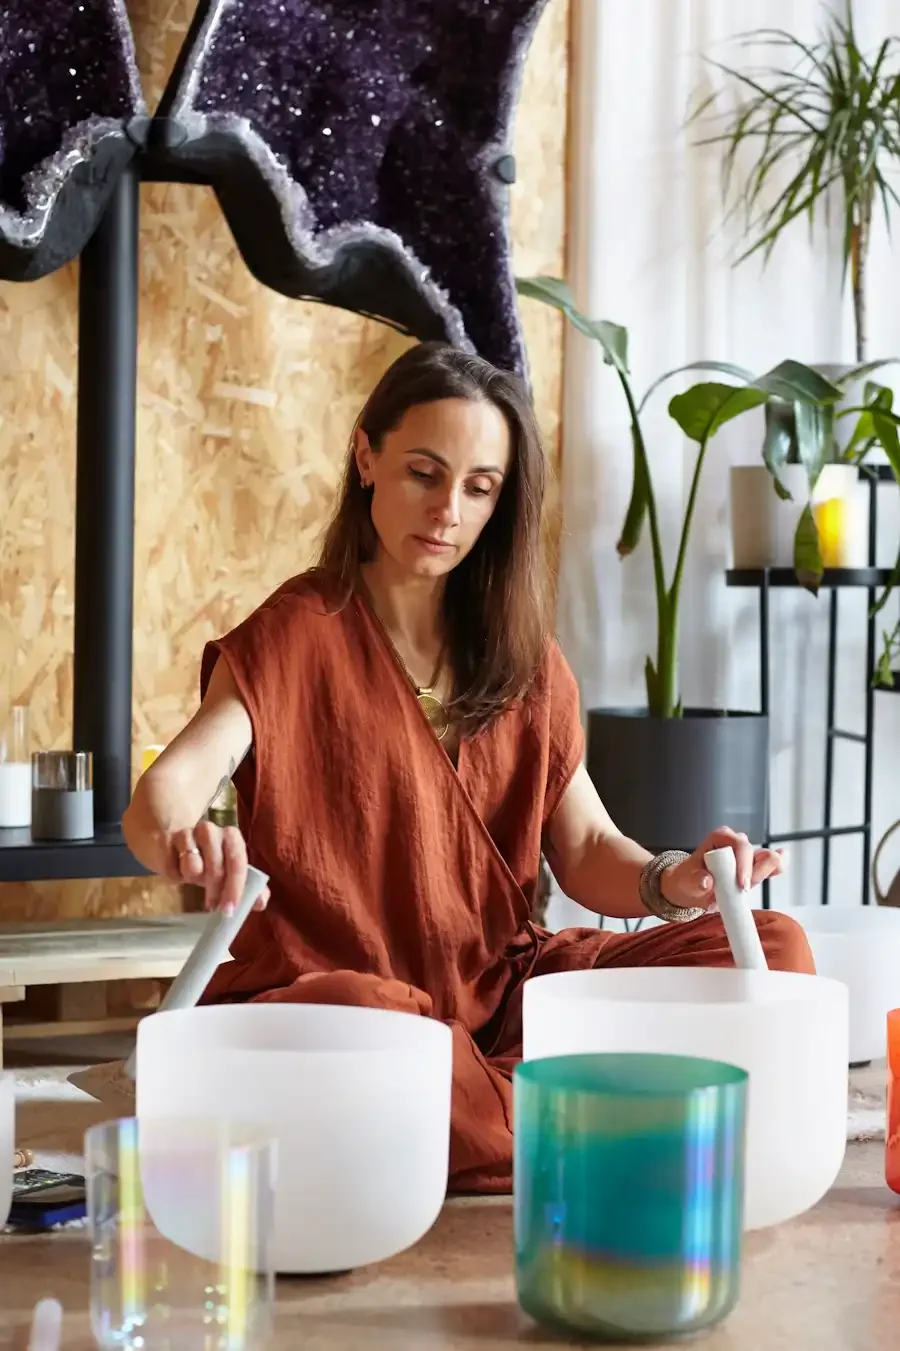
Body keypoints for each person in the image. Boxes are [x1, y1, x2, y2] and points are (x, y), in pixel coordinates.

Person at [123, 341, 814, 1193]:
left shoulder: (524, 657)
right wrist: (189, 840)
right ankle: (606, 1123)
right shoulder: (296, 629)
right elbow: (168, 789)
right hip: (352, 1005)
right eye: (424, 471)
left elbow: (589, 841)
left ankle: (485, 1123)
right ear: (366, 455)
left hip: (505, 1001)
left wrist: (681, 881)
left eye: (479, 487)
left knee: (771, 950)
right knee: (368, 1030)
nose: (448, 508)